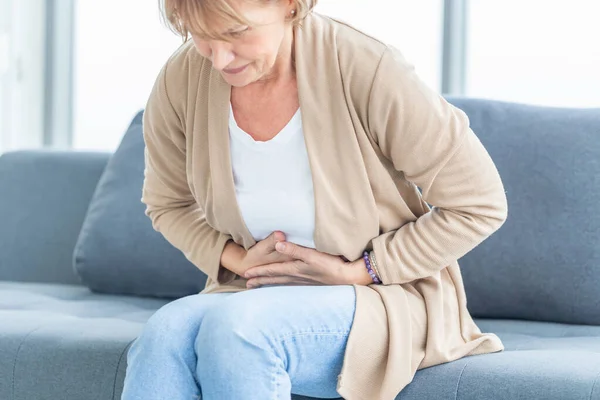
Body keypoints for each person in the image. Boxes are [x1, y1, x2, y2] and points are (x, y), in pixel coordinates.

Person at [121, 0, 509, 399]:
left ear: (289, 5)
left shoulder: (366, 68)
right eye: (202, 35)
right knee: (165, 332)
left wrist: (362, 270)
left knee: (239, 332)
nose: (219, 58)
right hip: (254, 295)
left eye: (236, 33)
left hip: (381, 297)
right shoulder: (183, 77)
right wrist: (235, 259)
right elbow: (167, 204)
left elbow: (480, 203)